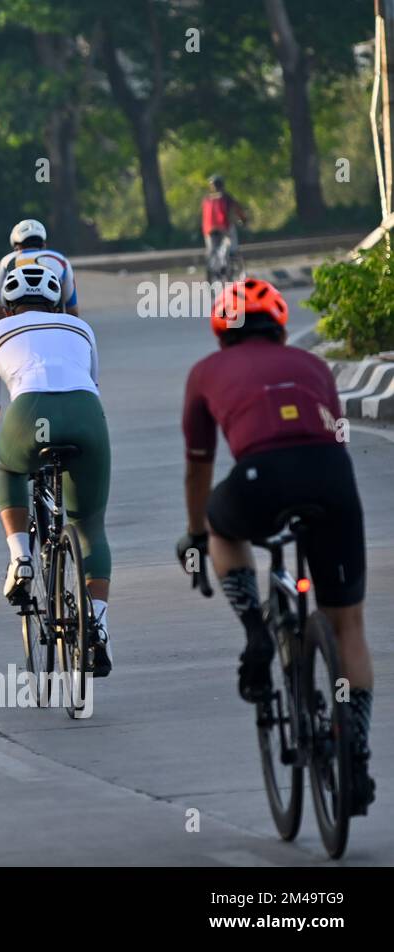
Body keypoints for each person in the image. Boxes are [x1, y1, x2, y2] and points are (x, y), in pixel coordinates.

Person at [177, 277, 374, 814]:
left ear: (222, 334)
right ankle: (354, 751)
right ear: (281, 328)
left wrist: (197, 534)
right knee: (347, 623)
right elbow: (331, 438)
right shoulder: (313, 367)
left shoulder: (205, 372)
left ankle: (255, 631)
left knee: (221, 524)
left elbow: (200, 468)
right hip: (334, 481)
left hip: (261, 478)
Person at [0, 264, 113, 676]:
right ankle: (97, 624)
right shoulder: (79, 329)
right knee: (90, 527)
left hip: (28, 413)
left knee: (10, 470)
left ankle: (21, 558)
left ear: (7, 307)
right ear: (57, 302)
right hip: (86, 415)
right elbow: (90, 384)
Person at [0, 219, 78, 319]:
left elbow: (0, 304)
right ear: (43, 244)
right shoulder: (60, 259)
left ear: (16, 245)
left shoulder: (7, 260)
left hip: (18, 323)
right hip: (53, 322)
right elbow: (72, 307)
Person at [201, 176, 248, 278]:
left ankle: (212, 267)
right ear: (222, 185)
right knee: (233, 248)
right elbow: (238, 210)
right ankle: (241, 273)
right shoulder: (226, 197)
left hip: (209, 230)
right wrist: (244, 221)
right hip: (224, 227)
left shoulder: (207, 199)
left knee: (211, 249)